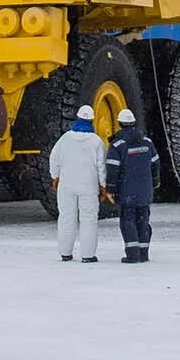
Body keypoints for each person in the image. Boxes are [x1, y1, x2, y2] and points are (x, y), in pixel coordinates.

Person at [49, 103, 107, 263]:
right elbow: (101, 166)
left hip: (66, 186)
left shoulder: (65, 138)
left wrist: (55, 176)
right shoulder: (96, 141)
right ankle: (88, 255)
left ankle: (65, 253)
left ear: (78, 118)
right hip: (88, 187)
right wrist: (103, 185)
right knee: (89, 220)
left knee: (67, 218)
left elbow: (53, 158)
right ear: (92, 120)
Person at [105, 107, 161, 263]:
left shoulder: (117, 145)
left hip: (127, 192)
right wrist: (155, 181)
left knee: (128, 222)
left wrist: (110, 188)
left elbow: (112, 168)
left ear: (119, 124)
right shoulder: (147, 142)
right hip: (144, 192)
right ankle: (143, 254)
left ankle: (133, 254)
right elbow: (155, 163)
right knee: (143, 221)